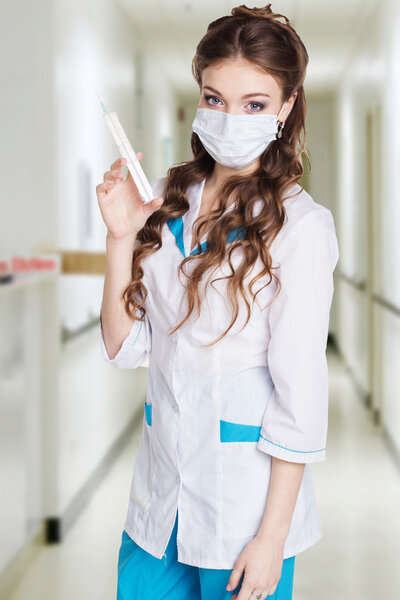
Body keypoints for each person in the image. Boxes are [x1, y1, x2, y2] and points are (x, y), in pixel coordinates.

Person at [96, 3, 339, 600]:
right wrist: (120, 237)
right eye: (214, 98)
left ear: (285, 107)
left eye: (254, 104)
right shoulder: (165, 203)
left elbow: (300, 395)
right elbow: (123, 346)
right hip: (159, 507)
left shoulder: (301, 227)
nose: (231, 118)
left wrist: (272, 539)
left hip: (244, 516)